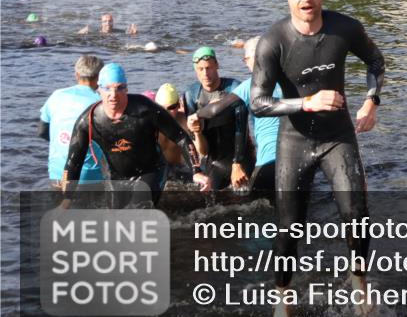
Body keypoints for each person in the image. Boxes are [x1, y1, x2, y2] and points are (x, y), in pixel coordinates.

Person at [251, 0, 385, 317]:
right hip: (295, 139)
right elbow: (258, 103)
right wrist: (305, 103)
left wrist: (371, 100)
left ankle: (360, 285)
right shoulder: (273, 41)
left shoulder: (345, 28)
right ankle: (282, 299)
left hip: (337, 137)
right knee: (288, 226)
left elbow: (375, 59)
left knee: (356, 215)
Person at [62, 63, 209, 207]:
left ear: (126, 89)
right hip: (117, 177)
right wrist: (66, 199)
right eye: (107, 89)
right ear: (98, 90)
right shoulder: (88, 121)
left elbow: (181, 137)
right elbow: (73, 162)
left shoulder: (145, 109)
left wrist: (196, 170)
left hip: (151, 170)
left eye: (119, 88)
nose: (113, 95)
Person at [183, 46, 252, 190]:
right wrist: (197, 132)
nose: (205, 74)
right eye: (200, 69)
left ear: (217, 65)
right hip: (214, 161)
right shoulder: (191, 95)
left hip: (241, 157)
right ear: (195, 70)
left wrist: (237, 163)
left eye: (209, 68)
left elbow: (242, 127)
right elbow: (203, 151)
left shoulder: (234, 88)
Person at [39, 56, 105, 186]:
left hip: (57, 174)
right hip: (89, 177)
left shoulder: (56, 95)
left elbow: (42, 131)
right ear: (99, 78)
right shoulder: (101, 103)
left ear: (76, 75)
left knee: (59, 205)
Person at [232, 36, 281, 199]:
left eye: (246, 58)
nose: (245, 62)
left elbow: (220, 111)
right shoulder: (290, 80)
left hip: (268, 160)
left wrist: (197, 115)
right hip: (297, 156)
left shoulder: (248, 86)